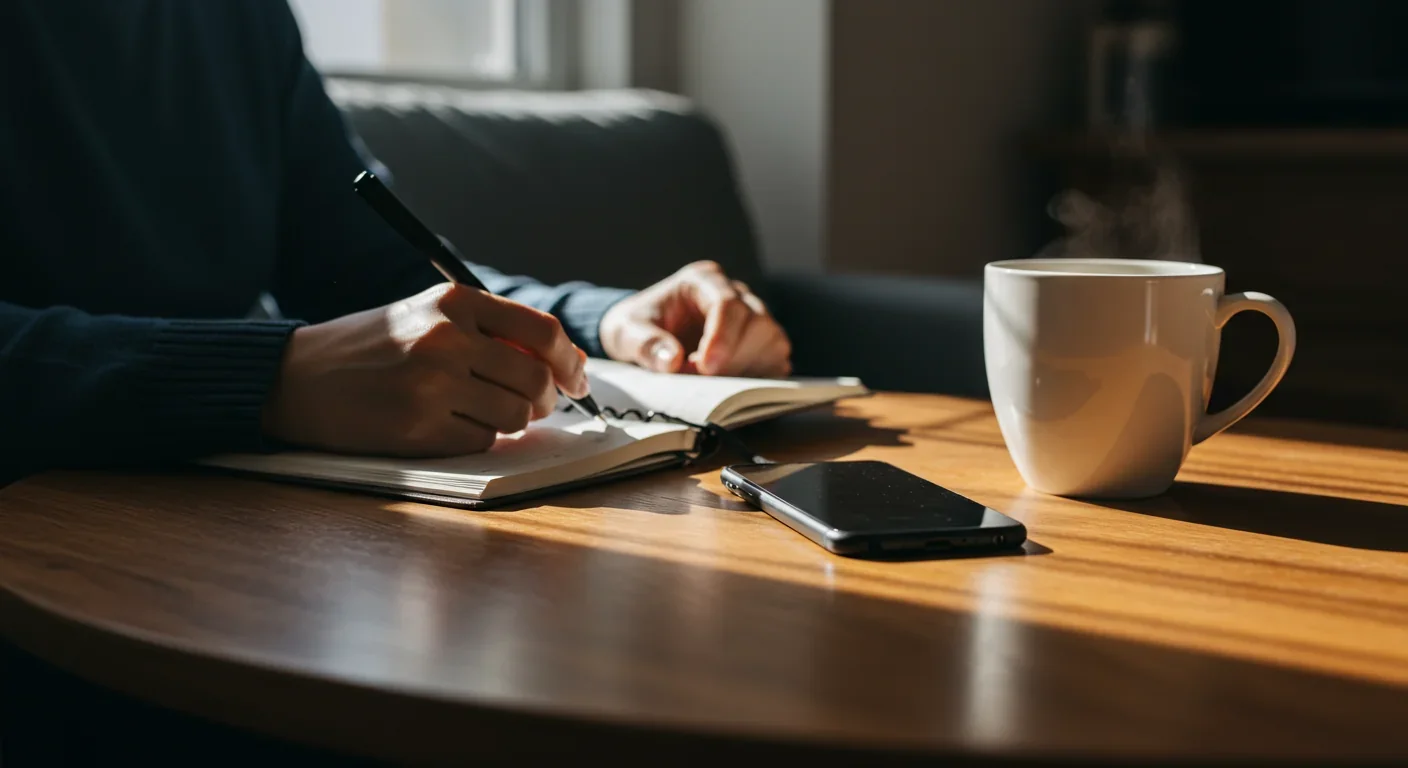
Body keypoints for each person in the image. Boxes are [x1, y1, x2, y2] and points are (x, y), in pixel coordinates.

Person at [0, 0, 791, 485]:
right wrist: (275, 380)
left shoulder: (237, 16)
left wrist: (603, 321)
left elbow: (376, 271)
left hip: (232, 521)